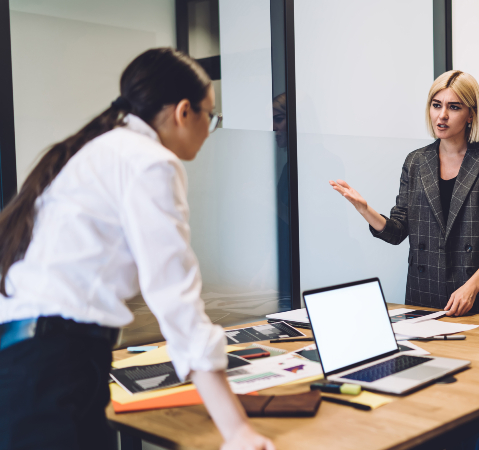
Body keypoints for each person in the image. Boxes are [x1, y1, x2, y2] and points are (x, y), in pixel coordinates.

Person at [0, 48, 275, 450]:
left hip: (33, 357)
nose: (211, 128)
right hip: (52, 363)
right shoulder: (150, 162)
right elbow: (176, 299)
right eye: (211, 117)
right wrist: (237, 431)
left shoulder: (103, 147)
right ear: (184, 112)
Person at [329, 70, 479, 316]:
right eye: (436, 105)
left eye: (454, 107)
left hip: (477, 298)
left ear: (471, 114)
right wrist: (365, 210)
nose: (442, 115)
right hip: (423, 297)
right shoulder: (416, 161)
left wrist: (471, 287)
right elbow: (398, 231)